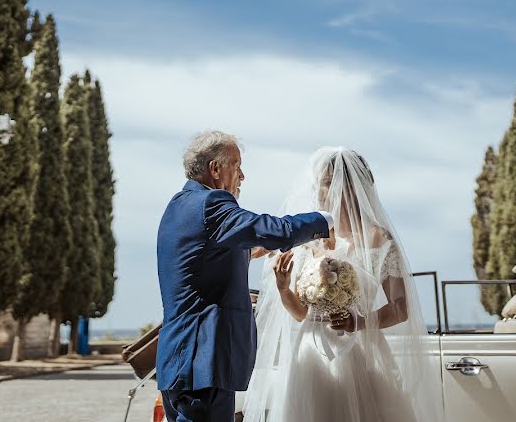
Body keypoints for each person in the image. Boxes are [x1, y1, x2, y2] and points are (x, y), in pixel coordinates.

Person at [243, 147, 447, 422]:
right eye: (321, 182)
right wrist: (283, 288)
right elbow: (303, 314)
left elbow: (400, 308)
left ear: (350, 187)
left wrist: (358, 322)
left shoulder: (378, 238)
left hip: (358, 355)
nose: (319, 190)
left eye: (326, 183)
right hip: (309, 357)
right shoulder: (311, 239)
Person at [156, 131, 334, 422]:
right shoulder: (211, 204)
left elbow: (209, 257)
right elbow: (276, 230)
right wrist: (326, 220)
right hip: (204, 364)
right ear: (215, 169)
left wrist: (256, 249)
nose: (243, 175)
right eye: (236, 165)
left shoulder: (179, 206)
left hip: (181, 363)